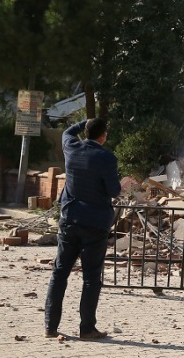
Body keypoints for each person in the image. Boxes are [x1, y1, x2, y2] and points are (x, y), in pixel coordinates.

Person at [45, 118, 121, 340]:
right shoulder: (106, 157)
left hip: (70, 219)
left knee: (59, 274)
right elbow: (114, 190)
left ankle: (50, 327)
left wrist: (84, 122)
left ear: (86, 133)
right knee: (91, 278)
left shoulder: (71, 147)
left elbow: (68, 131)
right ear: (103, 135)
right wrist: (122, 185)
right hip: (95, 223)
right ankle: (87, 328)